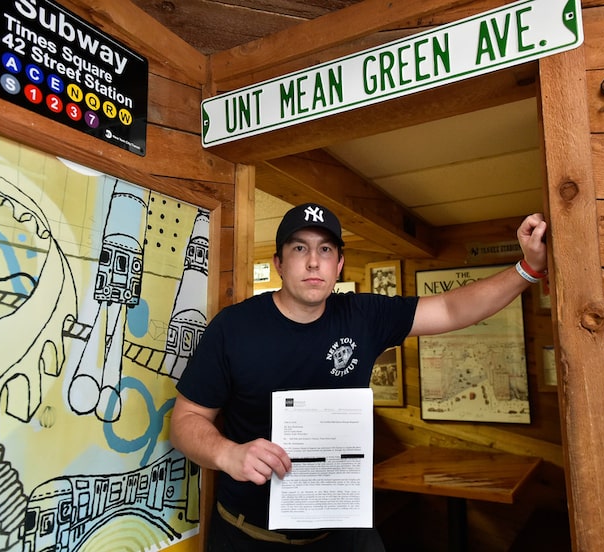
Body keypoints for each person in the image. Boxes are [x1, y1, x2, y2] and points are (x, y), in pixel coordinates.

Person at [170, 202, 548, 551]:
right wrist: (227, 453)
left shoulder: (363, 316)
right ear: (279, 263)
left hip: (344, 533)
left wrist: (527, 269)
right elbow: (185, 421)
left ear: (339, 265)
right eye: (299, 249)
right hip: (248, 536)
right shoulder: (234, 327)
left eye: (325, 250)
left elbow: (451, 309)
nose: (313, 262)